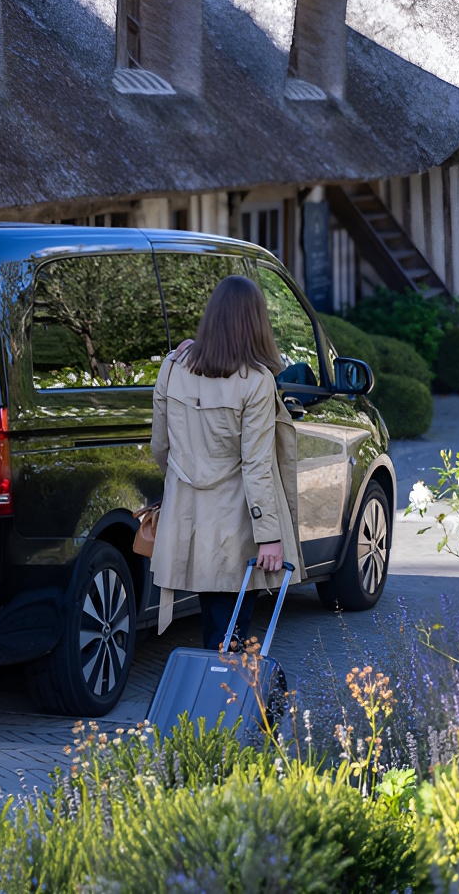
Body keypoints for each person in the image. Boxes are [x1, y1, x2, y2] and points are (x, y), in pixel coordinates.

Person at [149, 275, 301, 650]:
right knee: (232, 629)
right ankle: (230, 703)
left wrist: (186, 481)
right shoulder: (256, 381)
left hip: (190, 516)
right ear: (256, 322)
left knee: (215, 624)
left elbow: (159, 446)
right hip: (238, 523)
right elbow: (257, 465)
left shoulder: (172, 366)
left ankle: (216, 702)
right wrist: (271, 538)